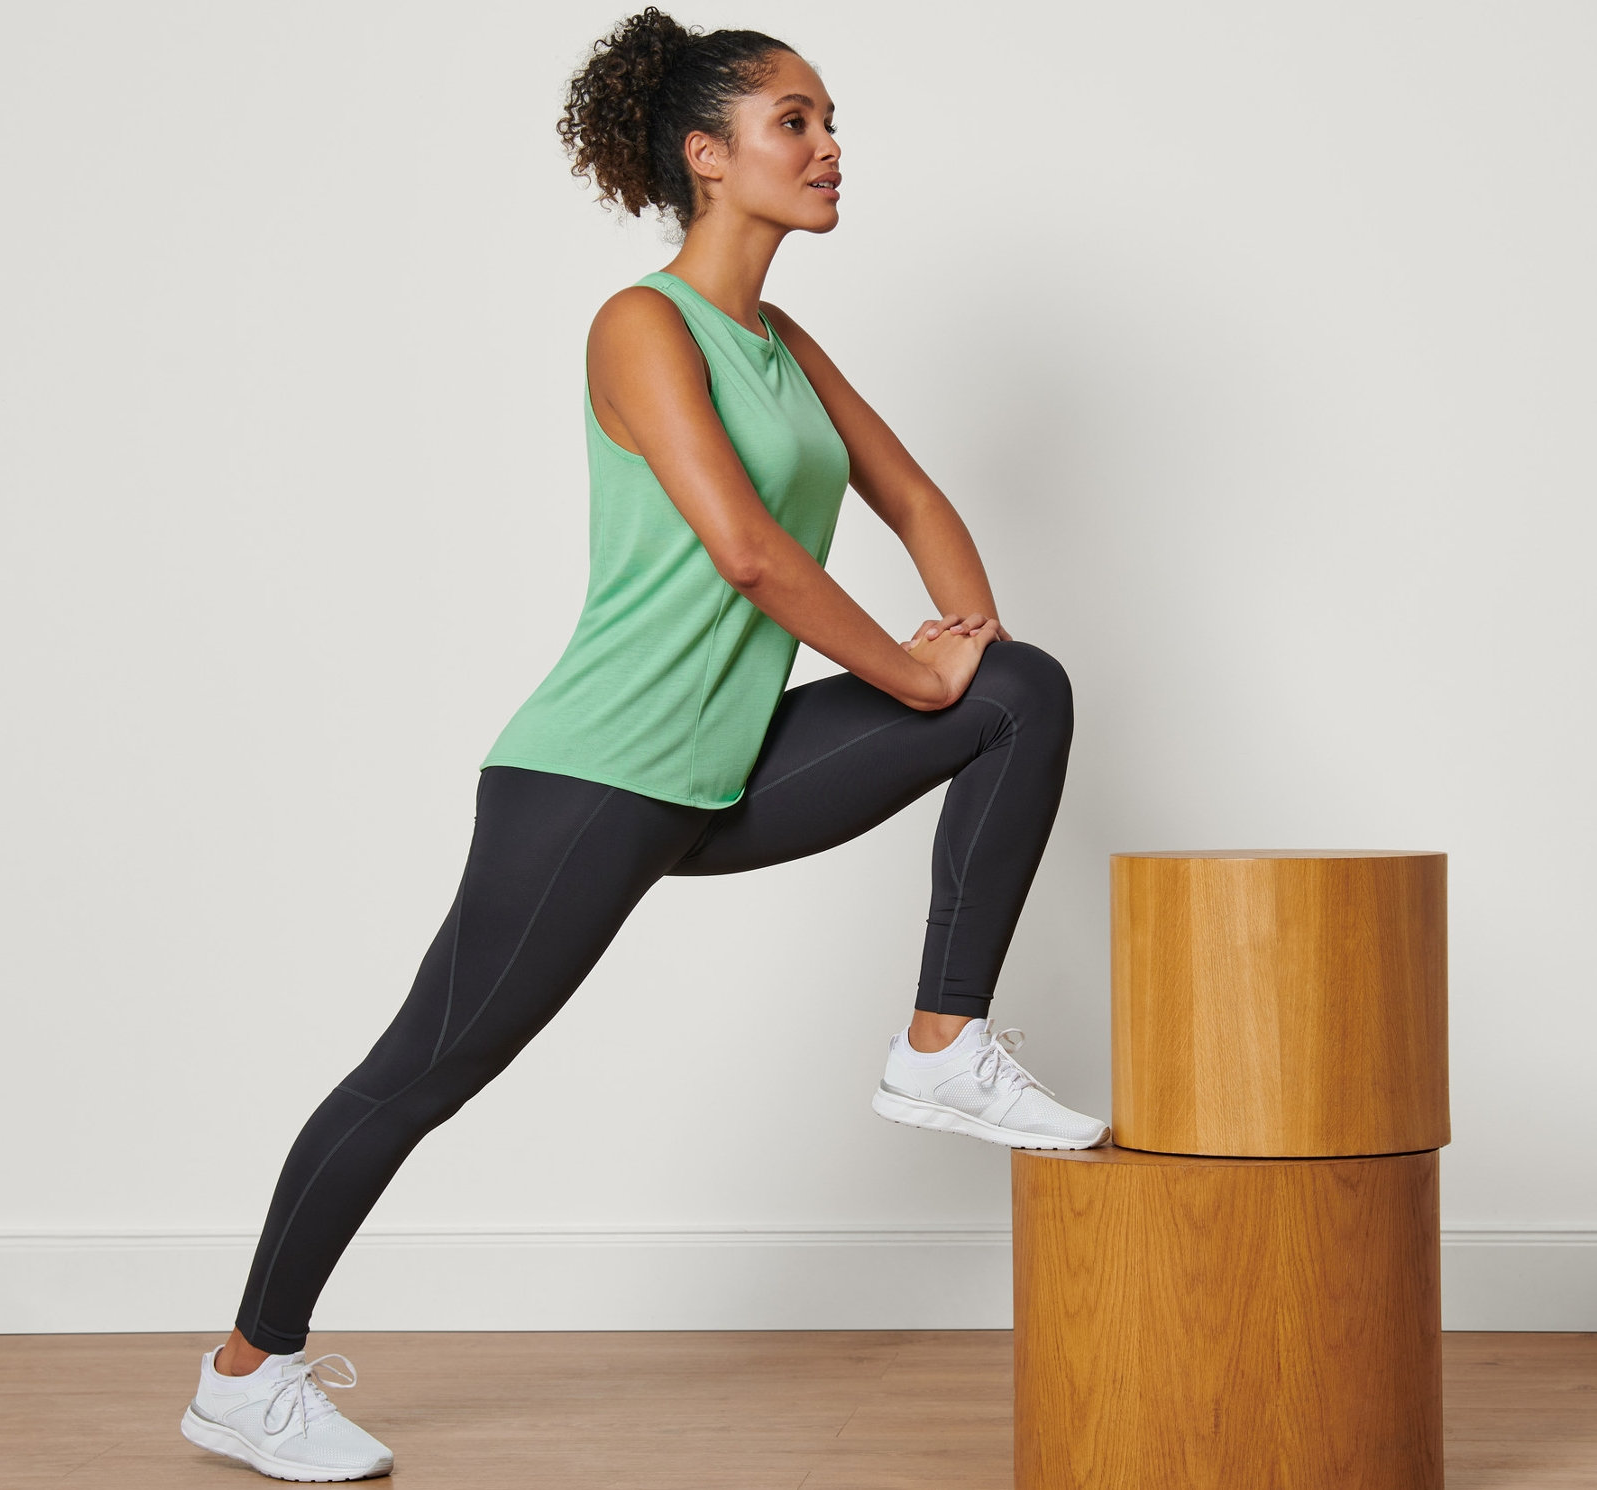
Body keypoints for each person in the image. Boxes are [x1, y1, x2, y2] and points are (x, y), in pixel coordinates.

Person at [179, 8, 1110, 1480]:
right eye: (792, 122)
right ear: (706, 156)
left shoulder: (783, 341)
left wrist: (965, 643)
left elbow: (920, 499)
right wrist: (910, 681)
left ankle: (941, 1039)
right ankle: (246, 1370)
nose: (827, 146)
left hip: (725, 770)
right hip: (595, 774)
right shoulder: (639, 323)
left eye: (827, 119)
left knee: (1024, 689)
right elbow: (745, 551)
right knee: (425, 1066)